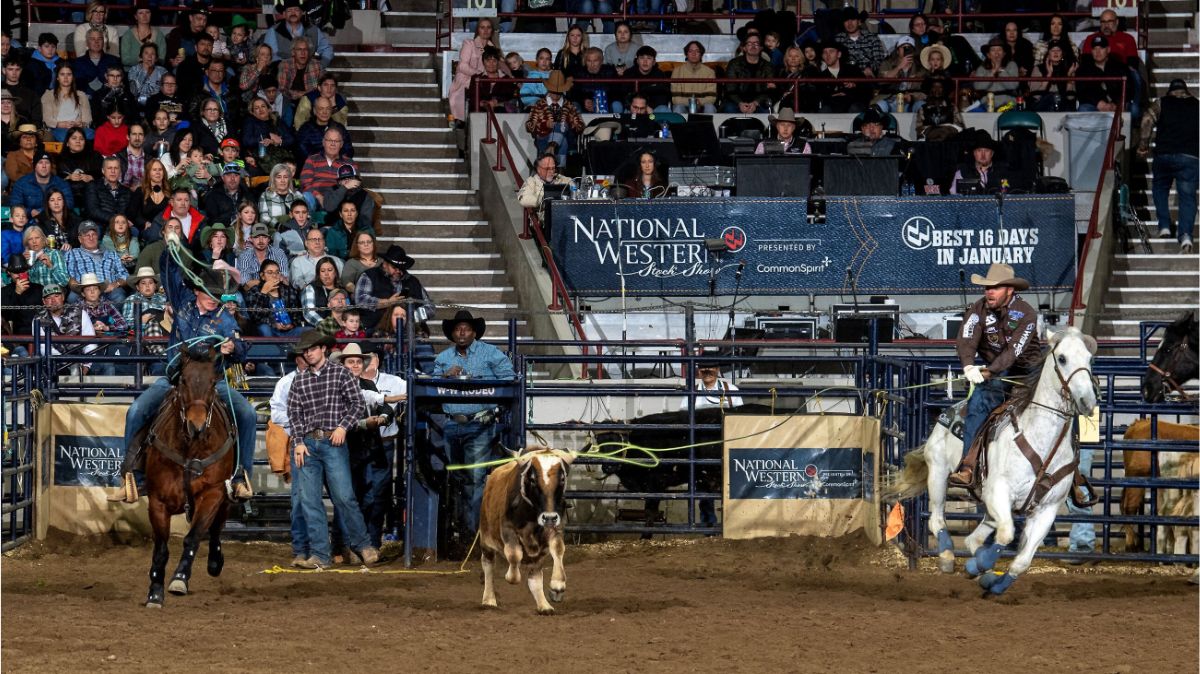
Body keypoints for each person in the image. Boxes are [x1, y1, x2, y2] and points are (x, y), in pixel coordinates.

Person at [113, 264, 258, 504]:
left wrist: (233, 347)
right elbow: (169, 271)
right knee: (136, 411)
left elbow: (241, 349)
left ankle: (240, 477)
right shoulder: (183, 304)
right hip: (175, 378)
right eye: (210, 294)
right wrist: (171, 244)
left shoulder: (225, 319)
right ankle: (133, 478)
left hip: (213, 383)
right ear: (197, 292)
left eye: (218, 295)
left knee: (247, 414)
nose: (215, 299)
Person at [287, 328, 380, 569]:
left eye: (312, 349)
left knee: (343, 497)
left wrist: (343, 427)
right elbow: (294, 414)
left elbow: (357, 403)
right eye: (305, 350)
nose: (308, 353)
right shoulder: (300, 379)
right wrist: (297, 441)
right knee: (309, 500)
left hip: (332, 440)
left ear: (323, 349)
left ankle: (362, 544)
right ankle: (321, 554)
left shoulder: (340, 374)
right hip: (308, 443)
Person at [947, 263, 1040, 488]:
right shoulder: (978, 310)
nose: (989, 291)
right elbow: (966, 338)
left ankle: (1074, 474)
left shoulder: (1026, 313)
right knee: (978, 402)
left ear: (1010, 290)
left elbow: (1014, 351)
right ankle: (968, 466)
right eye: (987, 287)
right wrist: (969, 366)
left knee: (1065, 399)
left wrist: (989, 371)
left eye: (996, 287)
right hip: (998, 371)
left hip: (1031, 371)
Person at [432, 310, 516, 548]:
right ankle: (464, 532)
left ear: (474, 332)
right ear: (452, 333)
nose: (461, 332)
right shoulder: (444, 358)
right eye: (458, 328)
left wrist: (479, 380)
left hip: (479, 422)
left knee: (475, 479)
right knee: (458, 480)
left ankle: (475, 535)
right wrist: (445, 376)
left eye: (466, 328)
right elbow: (433, 382)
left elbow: (509, 378)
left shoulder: (490, 353)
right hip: (452, 423)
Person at [332, 343, 396, 551]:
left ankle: (356, 544)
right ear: (343, 364)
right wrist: (366, 422)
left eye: (358, 361)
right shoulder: (335, 386)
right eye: (351, 361)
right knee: (347, 498)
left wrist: (385, 416)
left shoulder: (368, 385)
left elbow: (384, 405)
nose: (355, 365)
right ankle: (342, 546)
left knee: (366, 497)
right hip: (344, 449)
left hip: (364, 449)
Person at [1139, 79, 1198, 252]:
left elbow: (1147, 120)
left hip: (1164, 154)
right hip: (1190, 157)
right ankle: (1186, 236)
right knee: (1187, 197)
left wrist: (1143, 146)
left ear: (1170, 91)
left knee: (1159, 189)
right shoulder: (1197, 105)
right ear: (1186, 91)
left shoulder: (1161, 103)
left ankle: (1164, 225)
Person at [353, 244, 434, 331]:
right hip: (375, 331)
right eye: (394, 267)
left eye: (401, 268)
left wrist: (409, 316)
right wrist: (387, 302)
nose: (398, 271)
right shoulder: (370, 276)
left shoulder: (413, 281)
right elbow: (360, 300)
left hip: (410, 332)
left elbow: (430, 308)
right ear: (385, 264)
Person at [524, 70, 584, 168]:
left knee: (563, 137)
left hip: (562, 142)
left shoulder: (569, 105)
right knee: (562, 138)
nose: (556, 95)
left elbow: (580, 126)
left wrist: (566, 125)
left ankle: (551, 150)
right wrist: (545, 124)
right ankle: (559, 171)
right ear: (548, 89)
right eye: (553, 91)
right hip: (543, 139)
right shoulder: (539, 104)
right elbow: (529, 126)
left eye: (558, 92)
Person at [448, 17, 501, 123]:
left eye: (488, 27)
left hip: (485, 81)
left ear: (491, 30)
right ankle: (461, 120)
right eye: (482, 27)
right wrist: (480, 74)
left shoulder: (493, 47)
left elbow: (499, 66)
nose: (485, 30)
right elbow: (462, 66)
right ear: (478, 30)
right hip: (466, 79)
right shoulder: (469, 43)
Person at [65, 219, 127, 303]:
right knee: (73, 297)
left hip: (108, 290)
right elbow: (68, 275)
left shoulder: (112, 254)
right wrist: (81, 289)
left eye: (93, 234)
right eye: (87, 235)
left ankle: (110, 316)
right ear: (80, 239)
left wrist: (115, 284)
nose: (91, 238)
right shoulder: (72, 254)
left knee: (119, 296)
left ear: (98, 236)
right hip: (84, 291)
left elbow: (124, 275)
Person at [262, 0, 333, 68]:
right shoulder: (274, 31)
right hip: (282, 73)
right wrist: (283, 68)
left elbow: (326, 49)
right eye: (289, 10)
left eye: (296, 10)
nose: (293, 13)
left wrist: (321, 65)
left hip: (308, 72)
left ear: (302, 13)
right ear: (284, 14)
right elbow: (269, 54)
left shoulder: (313, 30)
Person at [1076, 35, 1132, 115]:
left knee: (1132, 108)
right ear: (1091, 51)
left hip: (1117, 104)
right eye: (1095, 49)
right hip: (1095, 105)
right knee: (1083, 109)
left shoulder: (1120, 67)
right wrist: (1098, 103)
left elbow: (1129, 89)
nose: (1098, 52)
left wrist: (1116, 103)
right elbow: (1082, 92)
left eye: (1101, 48)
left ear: (1108, 50)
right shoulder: (1083, 69)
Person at [722, 34, 775, 114]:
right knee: (729, 109)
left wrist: (755, 103)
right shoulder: (734, 64)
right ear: (744, 48)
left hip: (759, 103)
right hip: (736, 102)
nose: (753, 46)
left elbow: (769, 91)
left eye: (756, 43)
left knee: (766, 112)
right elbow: (729, 89)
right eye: (749, 43)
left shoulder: (768, 66)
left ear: (761, 48)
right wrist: (740, 103)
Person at [41, 62, 92, 142]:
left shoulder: (81, 95)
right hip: (58, 128)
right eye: (62, 74)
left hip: (78, 128)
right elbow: (46, 119)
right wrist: (59, 124)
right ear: (57, 77)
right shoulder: (48, 95)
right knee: (66, 137)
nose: (65, 77)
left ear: (73, 77)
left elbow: (87, 119)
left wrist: (80, 124)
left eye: (69, 74)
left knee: (92, 134)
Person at [814, 41, 867, 114]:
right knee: (824, 111)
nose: (827, 55)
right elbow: (819, 96)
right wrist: (833, 95)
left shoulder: (853, 70)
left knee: (855, 108)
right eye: (824, 52)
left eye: (831, 52)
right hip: (831, 106)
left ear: (839, 54)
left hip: (851, 104)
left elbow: (867, 90)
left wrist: (854, 85)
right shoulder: (821, 76)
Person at [517, 153, 572, 223]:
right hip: (542, 223)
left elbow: (575, 190)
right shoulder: (531, 182)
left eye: (553, 168)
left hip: (563, 219)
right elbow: (524, 199)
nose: (551, 171)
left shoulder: (562, 179)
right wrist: (545, 198)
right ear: (538, 169)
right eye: (547, 169)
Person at [236, 222, 290, 291]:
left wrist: (257, 282)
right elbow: (246, 284)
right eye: (257, 237)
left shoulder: (279, 253)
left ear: (269, 239)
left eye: (264, 237)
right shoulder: (244, 256)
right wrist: (267, 285)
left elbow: (285, 280)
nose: (261, 241)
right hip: (254, 295)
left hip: (277, 292)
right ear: (251, 239)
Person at [969, 38, 1019, 111]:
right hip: (987, 102)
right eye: (993, 50)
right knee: (973, 113)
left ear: (1004, 53)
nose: (996, 53)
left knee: (1008, 110)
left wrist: (1001, 71)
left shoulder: (1012, 65)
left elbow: (1013, 85)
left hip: (1009, 102)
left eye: (999, 50)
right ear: (988, 55)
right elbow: (978, 87)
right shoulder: (982, 68)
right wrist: (992, 72)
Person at [835, 7, 885, 77]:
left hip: (866, 77)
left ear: (859, 22)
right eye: (846, 20)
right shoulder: (838, 39)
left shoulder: (872, 38)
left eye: (852, 19)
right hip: (846, 77)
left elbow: (878, 60)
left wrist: (869, 68)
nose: (849, 23)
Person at [85, 156, 133, 226]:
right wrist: (116, 219)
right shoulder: (93, 186)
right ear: (103, 171)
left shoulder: (127, 191)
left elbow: (131, 213)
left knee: (134, 231)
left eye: (116, 168)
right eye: (109, 168)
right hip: (100, 225)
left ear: (120, 171)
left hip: (121, 226)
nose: (113, 171)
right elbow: (93, 211)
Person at [621, 45, 670, 113]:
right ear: (637, 61)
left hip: (652, 110)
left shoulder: (660, 75)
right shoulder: (628, 74)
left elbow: (663, 98)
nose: (645, 61)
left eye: (649, 58)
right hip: (633, 107)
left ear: (654, 62)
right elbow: (624, 96)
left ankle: (659, 124)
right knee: (626, 112)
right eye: (642, 58)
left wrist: (647, 107)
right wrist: (636, 107)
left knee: (664, 109)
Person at [300, 255, 344, 325]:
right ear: (318, 274)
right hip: (317, 329)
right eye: (323, 271)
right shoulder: (310, 288)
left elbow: (348, 311)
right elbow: (308, 312)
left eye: (330, 270)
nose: (326, 274)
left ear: (335, 272)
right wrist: (325, 325)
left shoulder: (342, 289)